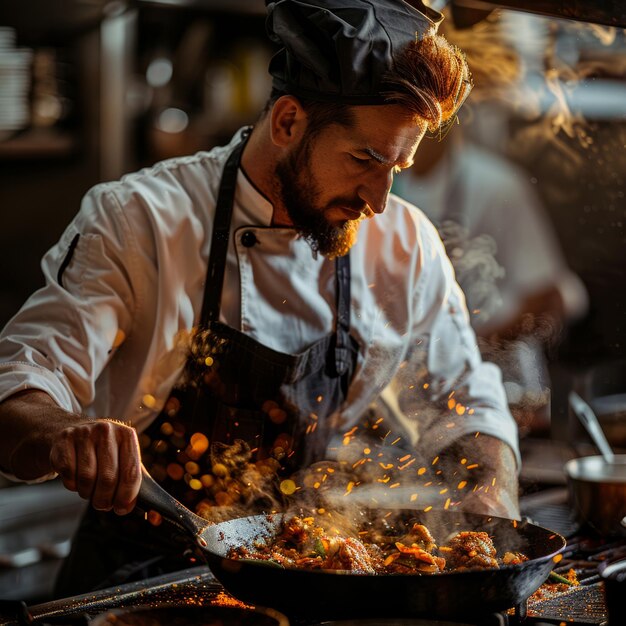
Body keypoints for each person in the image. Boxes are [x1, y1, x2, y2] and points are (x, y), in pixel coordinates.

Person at [0, 0, 520, 596]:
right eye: (364, 161)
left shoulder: (404, 244)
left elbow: (469, 396)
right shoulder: (139, 221)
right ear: (288, 123)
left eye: (397, 168)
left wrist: (490, 485)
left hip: (302, 577)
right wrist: (63, 433)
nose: (379, 200)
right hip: (139, 582)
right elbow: (18, 384)